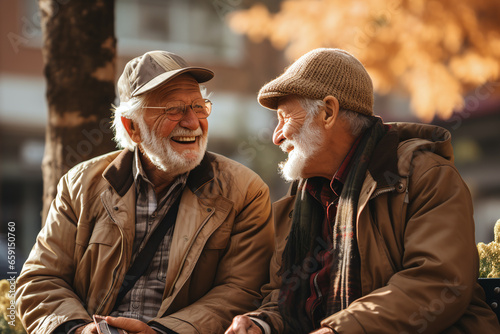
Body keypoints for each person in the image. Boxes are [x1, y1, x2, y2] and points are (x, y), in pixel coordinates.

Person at [226, 48, 500, 334]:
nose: (276, 135)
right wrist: (262, 324)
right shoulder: (298, 202)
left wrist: (338, 330)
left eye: (285, 117)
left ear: (328, 113)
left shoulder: (427, 176)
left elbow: (438, 283)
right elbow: (285, 298)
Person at [16, 50, 274, 334]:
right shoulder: (79, 184)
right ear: (133, 127)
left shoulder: (245, 191)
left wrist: (162, 332)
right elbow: (41, 279)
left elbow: (243, 290)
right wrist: (79, 330)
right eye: (172, 109)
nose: (191, 122)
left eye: (198, 107)